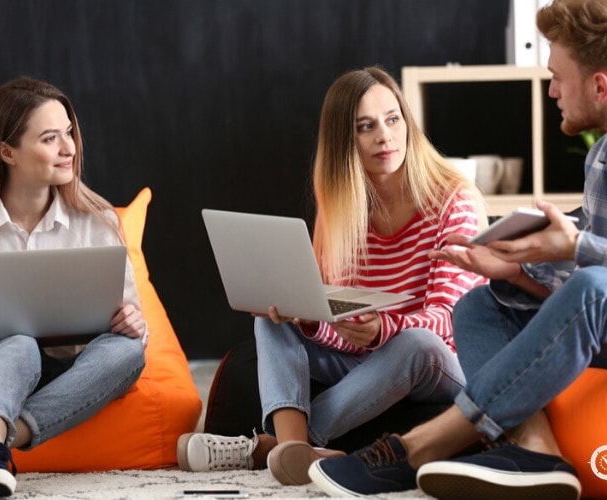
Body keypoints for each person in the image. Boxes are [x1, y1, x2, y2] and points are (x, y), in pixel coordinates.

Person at [306, 0, 607, 498]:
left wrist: (580, 246)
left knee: (595, 284)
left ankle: (421, 446)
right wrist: (513, 271)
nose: (551, 90)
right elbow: (595, 299)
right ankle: (537, 453)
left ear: (599, 86)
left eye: (557, 77)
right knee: (480, 305)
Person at [176, 66, 488, 485]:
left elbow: (449, 318)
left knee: (417, 342)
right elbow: (344, 328)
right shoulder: (344, 208)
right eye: (366, 126)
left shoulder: (454, 200)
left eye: (393, 119)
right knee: (270, 321)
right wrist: (310, 320)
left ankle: (269, 446)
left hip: (436, 359)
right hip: (369, 359)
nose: (385, 136)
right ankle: (295, 450)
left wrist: (383, 329)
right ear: (346, 141)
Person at [0, 77, 148, 498]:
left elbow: (131, 322)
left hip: (70, 369)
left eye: (69, 134)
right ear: (7, 152)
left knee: (129, 352)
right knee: (19, 345)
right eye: (50, 138)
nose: (69, 149)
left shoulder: (97, 220)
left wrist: (131, 323)